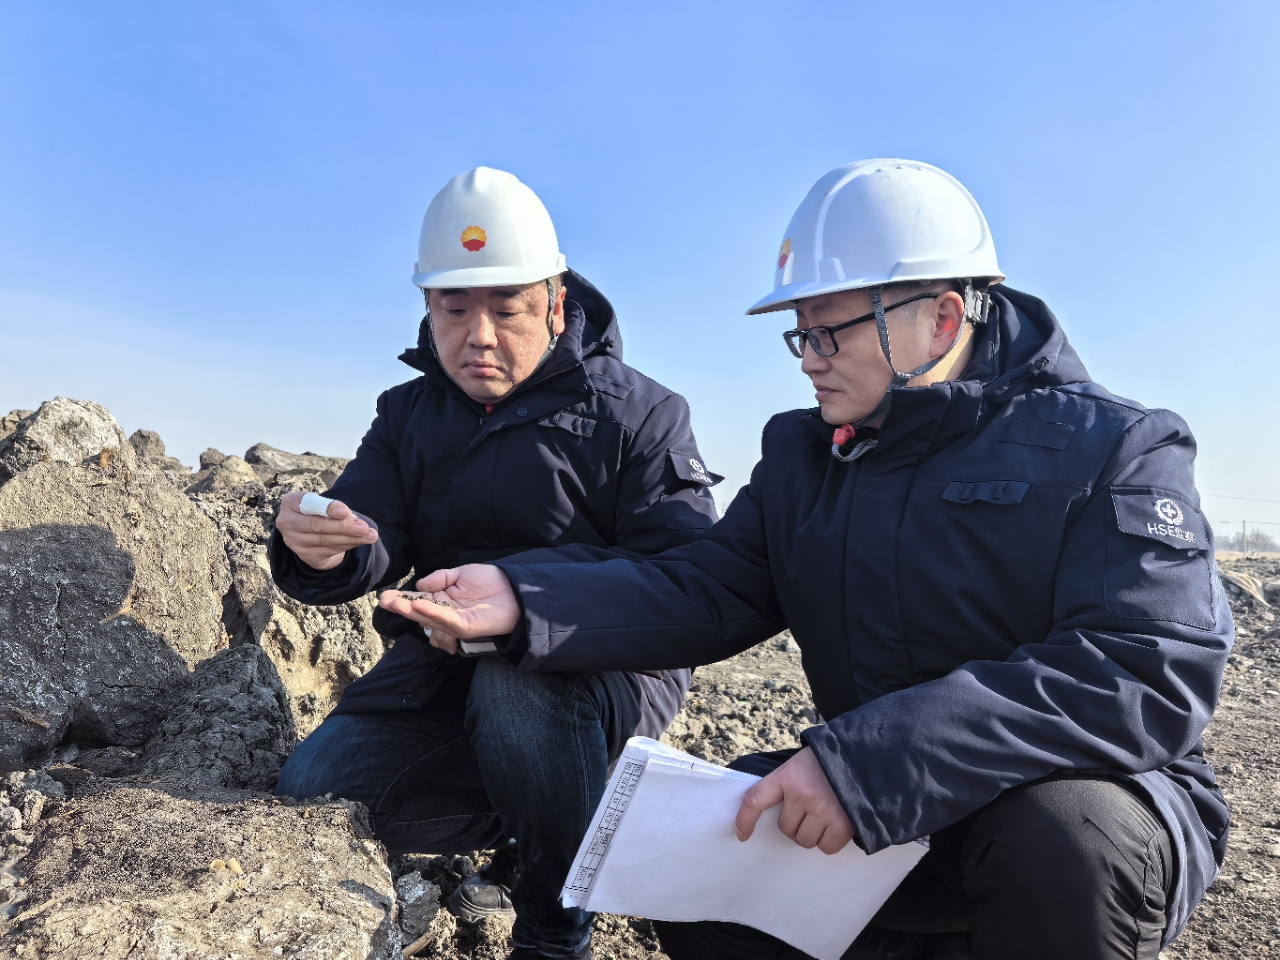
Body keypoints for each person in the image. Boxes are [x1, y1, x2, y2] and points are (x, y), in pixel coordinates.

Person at [384, 160, 1233, 960]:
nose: (810, 360)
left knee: (1060, 835)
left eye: (829, 333)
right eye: (800, 335)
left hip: (1079, 801)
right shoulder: (807, 460)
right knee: (695, 852)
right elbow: (705, 588)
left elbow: (1144, 666)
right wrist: (525, 599)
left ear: (940, 319)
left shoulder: (1113, 445)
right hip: (888, 809)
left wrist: (864, 763)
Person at [269, 166, 722, 960]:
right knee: (316, 789)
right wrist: (324, 549)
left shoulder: (642, 415)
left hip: (601, 670)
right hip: (445, 668)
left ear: (555, 304)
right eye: (455, 308)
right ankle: (552, 817)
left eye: (507, 308)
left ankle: (555, 930)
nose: (478, 335)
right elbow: (372, 529)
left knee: (520, 686)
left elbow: (683, 580)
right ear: (428, 308)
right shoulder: (407, 413)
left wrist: (527, 602)